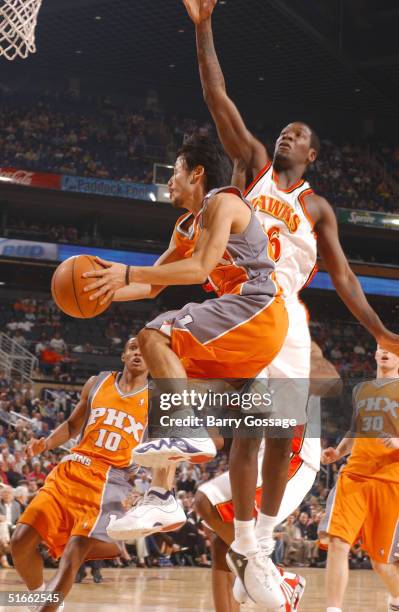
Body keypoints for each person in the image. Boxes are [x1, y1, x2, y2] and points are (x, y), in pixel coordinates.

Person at [181, 0, 399, 583]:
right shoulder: (250, 164)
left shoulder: (319, 208)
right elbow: (217, 100)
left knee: (278, 433)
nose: (286, 134)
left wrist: (379, 330)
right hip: (245, 301)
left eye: (298, 134)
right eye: (285, 129)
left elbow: (345, 278)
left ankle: (260, 546)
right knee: (247, 427)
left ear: (312, 155)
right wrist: (204, 28)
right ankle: (240, 531)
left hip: (285, 318)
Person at [84, 134, 290, 605]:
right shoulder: (186, 226)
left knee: (153, 336)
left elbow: (201, 268)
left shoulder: (224, 202)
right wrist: (105, 286)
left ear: (196, 172)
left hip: (258, 309)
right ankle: (162, 494)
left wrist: (131, 274)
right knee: (165, 374)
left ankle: (185, 435)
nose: (169, 179)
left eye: (174, 169)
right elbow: (150, 286)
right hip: (245, 333)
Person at [192, 343, 340, 612]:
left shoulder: (293, 336)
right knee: (220, 542)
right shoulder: (245, 337)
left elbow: (328, 381)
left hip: (293, 457)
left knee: (206, 502)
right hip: (260, 457)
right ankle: (273, 577)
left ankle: (277, 577)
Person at [11, 338, 149, 611]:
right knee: (20, 541)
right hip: (72, 468)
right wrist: (46, 443)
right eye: (133, 347)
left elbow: (168, 449)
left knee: (73, 556)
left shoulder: (158, 398)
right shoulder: (97, 382)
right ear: (123, 354)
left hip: (110, 480)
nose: (138, 353)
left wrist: (152, 489)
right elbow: (73, 423)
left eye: (144, 350)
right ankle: (39, 598)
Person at [320, 346, 399, 612]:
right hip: (354, 475)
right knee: (337, 541)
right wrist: (339, 452)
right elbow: (355, 429)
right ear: (376, 354)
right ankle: (333, 609)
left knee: (382, 563)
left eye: (392, 349)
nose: (385, 352)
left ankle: (397, 600)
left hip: (391, 480)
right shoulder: (361, 389)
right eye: (381, 348)